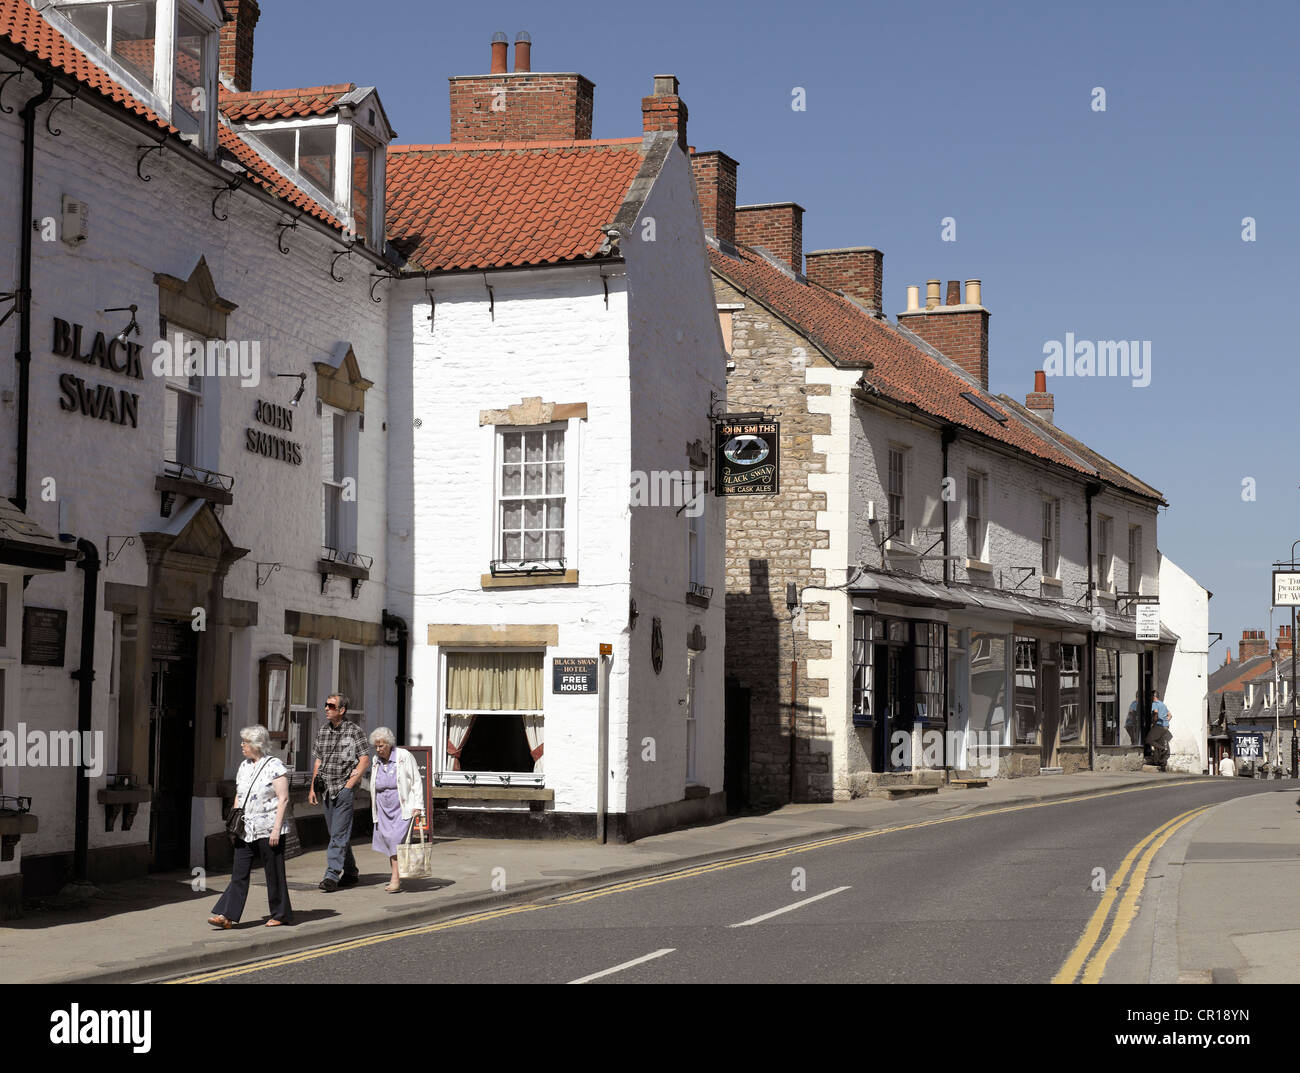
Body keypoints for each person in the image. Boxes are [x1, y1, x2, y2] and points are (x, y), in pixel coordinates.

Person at [208, 725, 292, 928]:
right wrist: (234, 824)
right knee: (239, 873)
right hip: (246, 829)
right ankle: (226, 916)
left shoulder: (275, 766)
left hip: (269, 828)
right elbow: (239, 795)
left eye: (245, 742)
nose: (242, 745)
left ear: (257, 744)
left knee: (274, 873)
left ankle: (280, 914)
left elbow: (283, 799)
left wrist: (276, 829)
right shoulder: (244, 766)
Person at [308, 692, 370, 892]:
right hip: (325, 789)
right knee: (337, 834)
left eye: (331, 706)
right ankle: (351, 872)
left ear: (342, 710)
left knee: (337, 834)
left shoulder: (354, 731)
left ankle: (331, 875)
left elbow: (364, 759)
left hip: (343, 789)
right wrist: (312, 788)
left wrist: (349, 785)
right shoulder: (323, 731)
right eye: (326, 705)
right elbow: (318, 761)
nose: (326, 708)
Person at [368, 727, 425, 893]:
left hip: (401, 807)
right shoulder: (375, 759)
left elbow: (416, 781)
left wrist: (418, 806)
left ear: (389, 744)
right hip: (383, 808)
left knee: (395, 841)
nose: (378, 749)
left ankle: (395, 879)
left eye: (381, 746)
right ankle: (396, 875)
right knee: (388, 842)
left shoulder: (403, 756)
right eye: (376, 746)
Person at [1145, 689, 1172, 771]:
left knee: (1148, 740)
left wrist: (1155, 722)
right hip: (1165, 727)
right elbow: (1170, 715)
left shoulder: (1155, 704)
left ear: (1153, 697)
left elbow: (1156, 713)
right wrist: (1165, 721)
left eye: (1151, 696)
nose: (1150, 698)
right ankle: (1158, 761)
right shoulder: (1163, 704)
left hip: (1159, 726)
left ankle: (1163, 748)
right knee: (1157, 742)